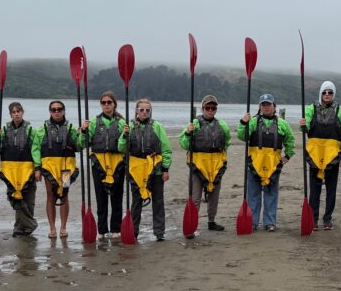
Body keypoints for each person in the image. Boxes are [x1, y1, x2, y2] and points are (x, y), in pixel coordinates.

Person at [237, 93, 295, 231]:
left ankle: (270, 223)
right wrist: (243, 123)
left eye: (268, 104)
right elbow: (242, 137)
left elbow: (290, 141)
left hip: (273, 166)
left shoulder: (282, 124)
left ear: (274, 106)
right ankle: (252, 222)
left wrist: (287, 156)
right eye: (263, 104)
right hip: (254, 165)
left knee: (271, 195)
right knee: (253, 195)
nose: (266, 107)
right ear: (260, 107)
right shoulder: (253, 121)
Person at [300, 80, 341, 230]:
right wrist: (304, 125)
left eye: (330, 92)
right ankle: (314, 218)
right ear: (320, 94)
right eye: (324, 92)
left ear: (333, 94)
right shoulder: (311, 109)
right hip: (315, 154)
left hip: (333, 154)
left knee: (331, 189)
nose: (327, 95)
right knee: (314, 189)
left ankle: (327, 219)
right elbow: (306, 125)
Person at [119, 98, 172, 241]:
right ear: (136, 111)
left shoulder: (157, 126)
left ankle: (159, 232)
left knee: (158, 200)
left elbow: (166, 149)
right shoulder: (128, 127)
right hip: (136, 170)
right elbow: (121, 148)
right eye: (141, 110)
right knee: (136, 201)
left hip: (155, 168)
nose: (144, 113)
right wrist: (124, 135)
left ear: (150, 112)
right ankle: (133, 231)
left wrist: (166, 169)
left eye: (147, 110)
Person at [179, 94, 232, 234]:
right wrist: (188, 134)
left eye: (213, 108)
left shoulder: (222, 125)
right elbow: (183, 144)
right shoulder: (194, 124)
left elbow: (227, 142)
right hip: (197, 165)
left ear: (216, 109)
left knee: (214, 196)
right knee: (195, 197)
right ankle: (191, 225)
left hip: (215, 166)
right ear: (202, 108)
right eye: (207, 107)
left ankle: (211, 221)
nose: (210, 110)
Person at [33, 100, 84, 238]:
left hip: (65, 167)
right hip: (49, 166)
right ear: (50, 112)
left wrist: (82, 134)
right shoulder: (41, 129)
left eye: (59, 109)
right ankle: (52, 228)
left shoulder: (72, 128)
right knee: (50, 195)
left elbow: (79, 147)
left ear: (64, 111)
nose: (56, 112)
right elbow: (36, 149)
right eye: (54, 109)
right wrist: (37, 168)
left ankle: (63, 227)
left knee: (64, 195)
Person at [81, 91, 126, 240]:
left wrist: (127, 133)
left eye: (109, 102)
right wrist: (83, 131)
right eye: (103, 102)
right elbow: (83, 143)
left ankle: (116, 228)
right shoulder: (93, 122)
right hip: (99, 163)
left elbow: (125, 145)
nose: (106, 105)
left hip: (117, 162)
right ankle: (101, 230)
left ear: (114, 104)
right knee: (101, 197)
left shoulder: (121, 122)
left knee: (117, 196)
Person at [0, 101, 38, 237]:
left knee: (29, 200)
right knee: (15, 198)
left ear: (22, 112)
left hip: (27, 169)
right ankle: (28, 225)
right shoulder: (3, 130)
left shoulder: (31, 130)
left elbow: (36, 150)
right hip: (11, 171)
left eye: (18, 111)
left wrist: (38, 168)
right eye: (13, 112)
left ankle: (23, 228)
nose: (16, 114)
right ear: (10, 114)